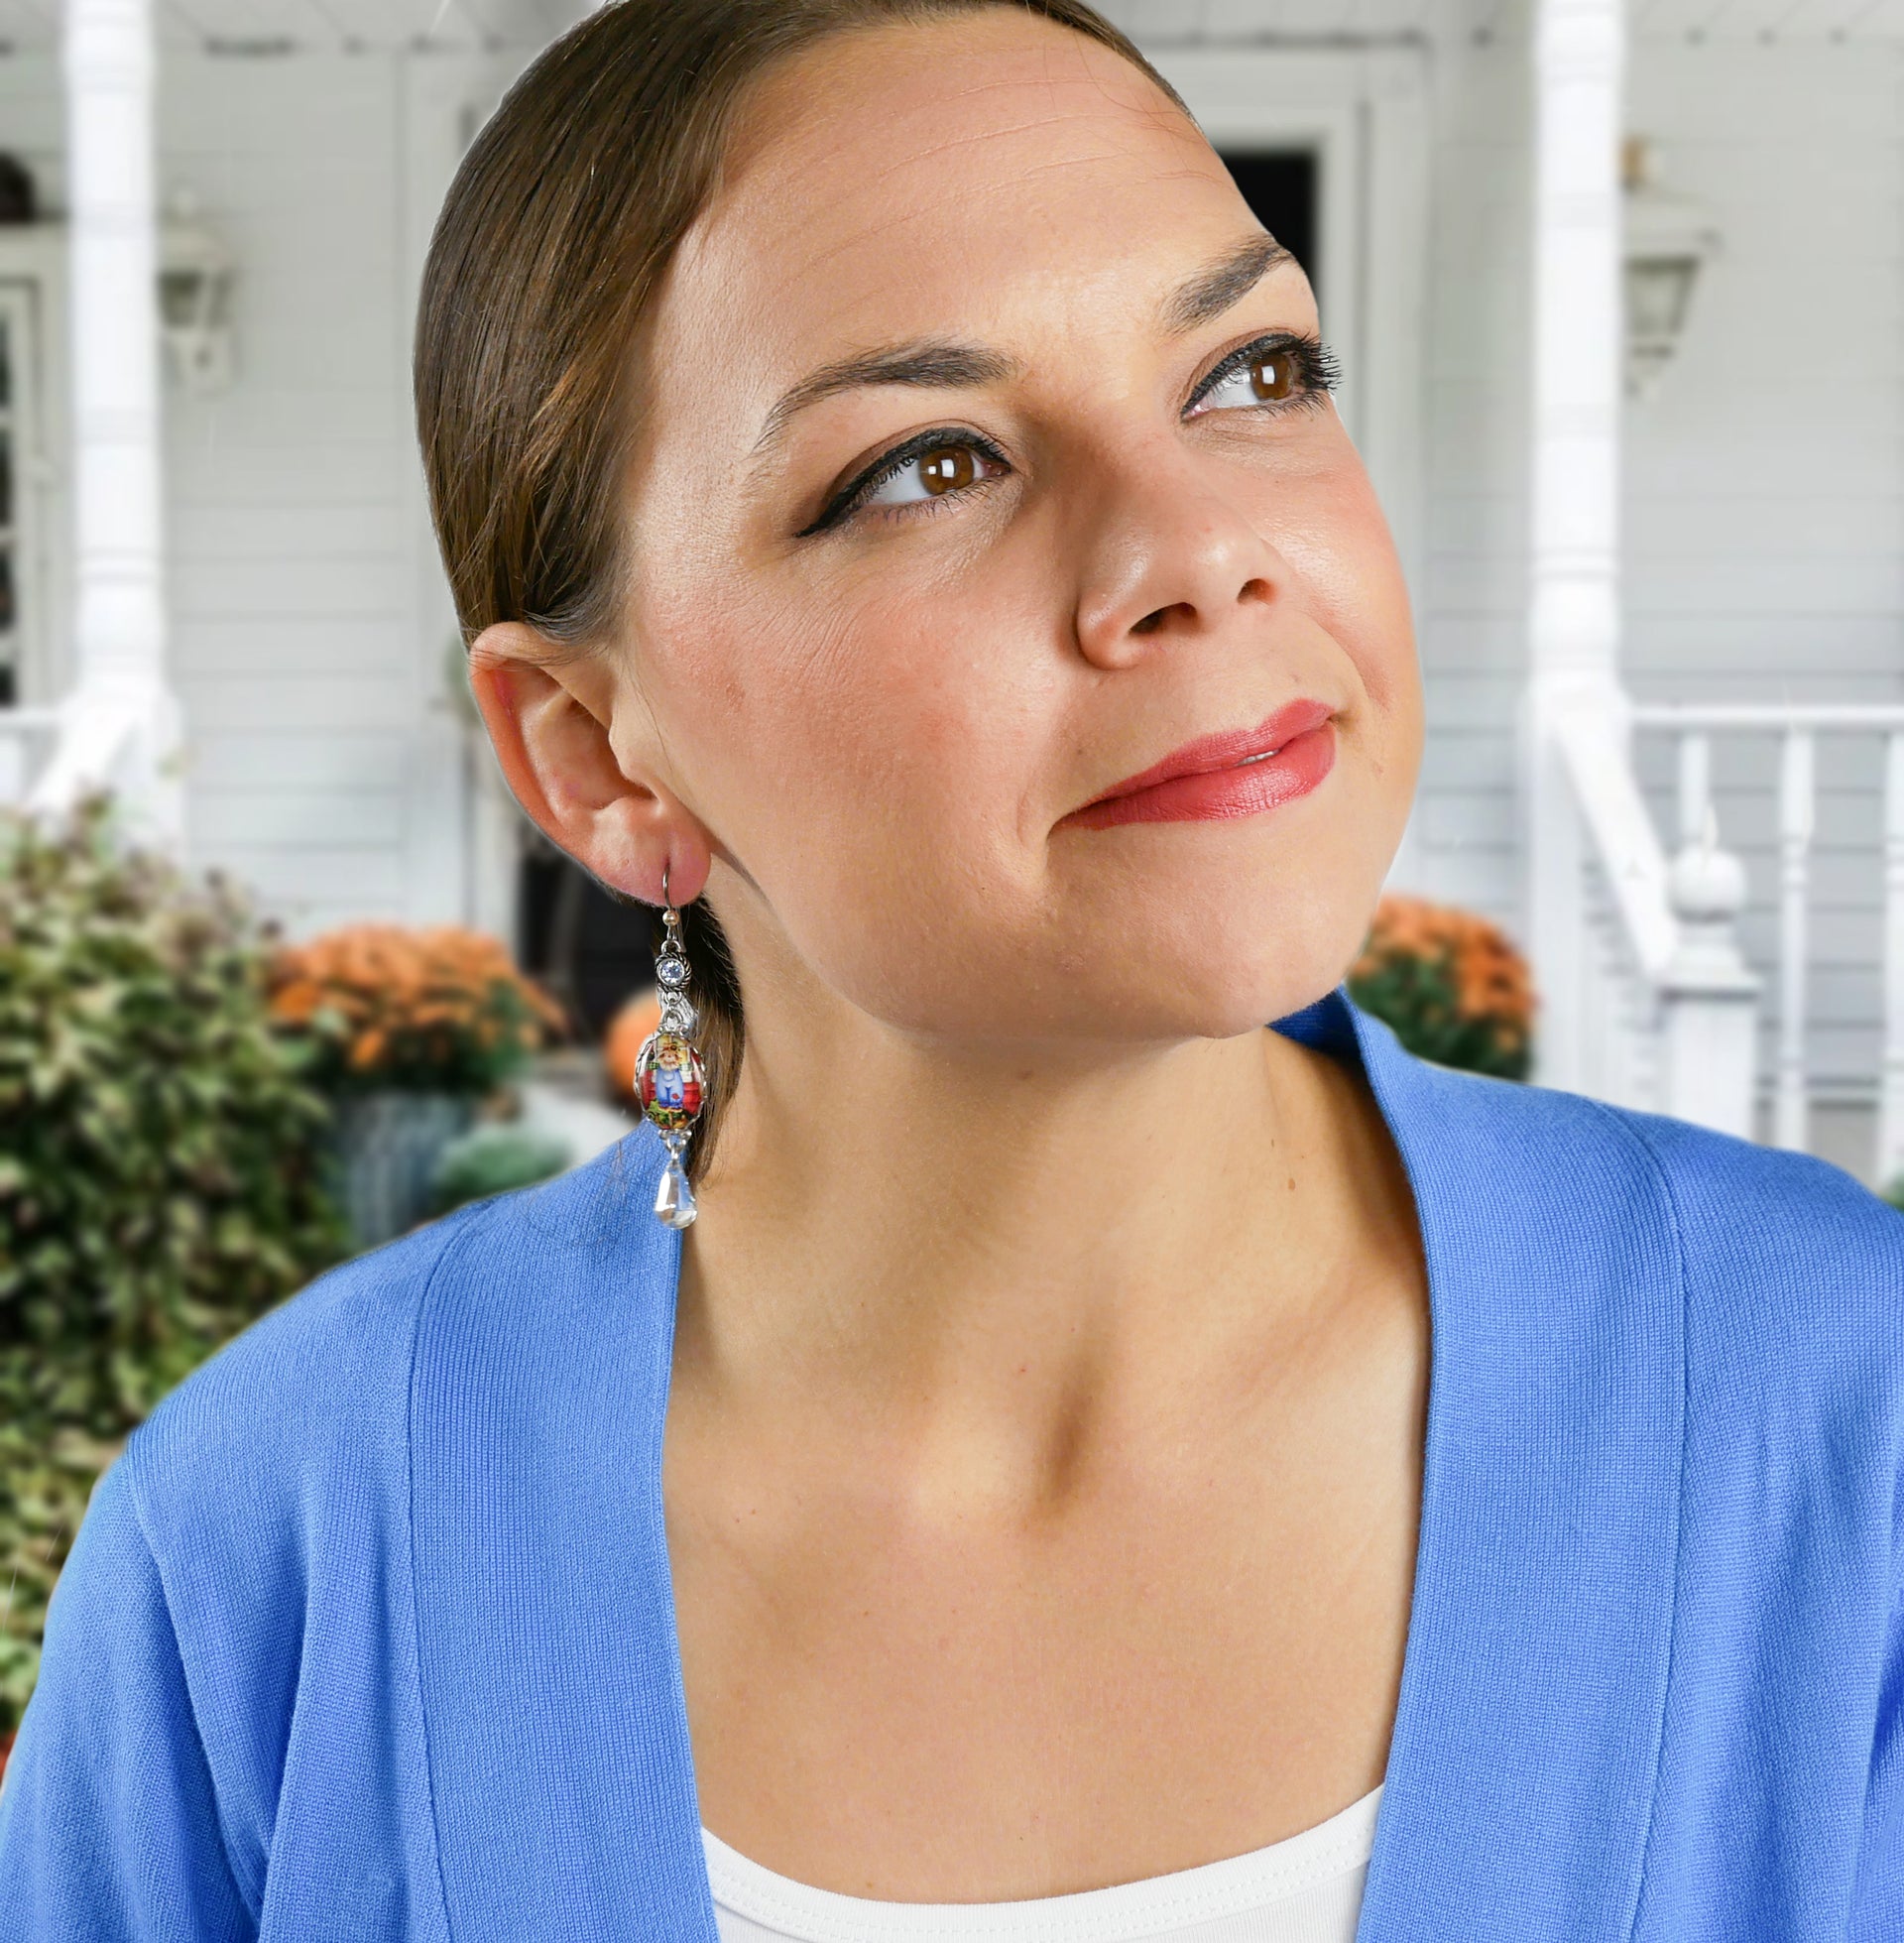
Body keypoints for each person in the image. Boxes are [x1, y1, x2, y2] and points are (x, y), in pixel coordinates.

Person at [3, 2, 1901, 1937]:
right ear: (596, 750)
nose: (1195, 546)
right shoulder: (261, 1555)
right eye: (929, 464)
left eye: (1252, 368)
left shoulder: (1846, 1420)